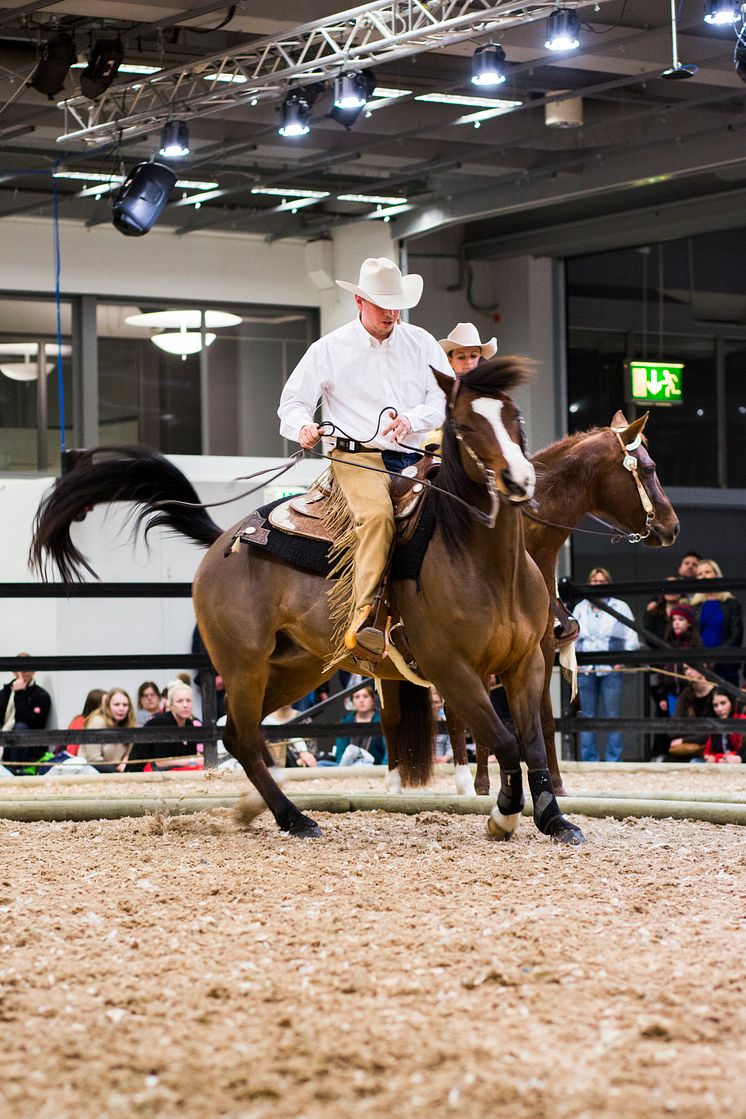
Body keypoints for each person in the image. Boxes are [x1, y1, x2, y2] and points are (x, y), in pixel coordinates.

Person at [278, 256, 447, 658]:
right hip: (357, 459)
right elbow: (293, 402)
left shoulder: (421, 342)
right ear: (359, 301)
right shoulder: (329, 349)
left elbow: (445, 397)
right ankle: (365, 617)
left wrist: (412, 418)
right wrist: (302, 427)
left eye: (396, 303)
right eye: (382, 303)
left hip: (419, 454)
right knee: (375, 518)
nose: (392, 312)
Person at [574, 567, 640, 762]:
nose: (597, 585)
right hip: (586, 669)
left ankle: (614, 758)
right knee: (587, 715)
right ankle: (589, 758)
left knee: (612, 715)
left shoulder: (620, 607)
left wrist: (622, 660)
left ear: (608, 584)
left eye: (602, 582)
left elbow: (631, 637)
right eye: (594, 582)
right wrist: (574, 662)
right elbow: (572, 638)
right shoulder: (580, 608)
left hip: (611, 668)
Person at [128, 681, 203, 772]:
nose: (185, 705)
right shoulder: (159, 723)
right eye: (180, 701)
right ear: (171, 705)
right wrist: (193, 761)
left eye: (188, 700)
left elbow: (190, 755)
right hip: (139, 774)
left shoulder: (190, 725)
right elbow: (160, 762)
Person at [691, 558, 743, 686]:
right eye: (699, 574)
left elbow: (737, 636)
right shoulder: (695, 605)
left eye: (707, 572)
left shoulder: (731, 603)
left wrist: (717, 656)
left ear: (716, 574)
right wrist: (702, 658)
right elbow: (693, 635)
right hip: (701, 666)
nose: (703, 576)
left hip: (726, 665)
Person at [0, 654, 52, 774]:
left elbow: (31, 721)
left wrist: (20, 694)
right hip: (4, 738)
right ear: (14, 672)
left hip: (29, 747)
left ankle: (17, 768)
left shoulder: (40, 695)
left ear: (34, 671)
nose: (24, 673)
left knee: (20, 727)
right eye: (21, 669)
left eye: (28, 669)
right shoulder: (4, 693)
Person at [662, 665, 717, 762]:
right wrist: (698, 733)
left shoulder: (716, 695)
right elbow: (673, 730)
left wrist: (684, 740)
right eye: (685, 669)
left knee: (695, 762)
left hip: (711, 748)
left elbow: (713, 732)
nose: (688, 672)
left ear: (703, 667)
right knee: (667, 762)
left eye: (692, 668)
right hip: (689, 748)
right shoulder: (686, 695)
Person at [657, 604, 702, 718]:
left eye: (681, 619)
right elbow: (662, 671)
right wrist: (662, 696)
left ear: (689, 623)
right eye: (674, 619)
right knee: (676, 724)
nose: (676, 623)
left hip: (690, 691)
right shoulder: (667, 643)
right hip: (671, 692)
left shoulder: (695, 643)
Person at [79, 688, 137, 770]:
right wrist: (116, 771)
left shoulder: (130, 724)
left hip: (118, 771)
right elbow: (93, 759)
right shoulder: (96, 723)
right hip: (92, 771)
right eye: (116, 705)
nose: (121, 708)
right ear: (107, 706)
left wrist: (125, 762)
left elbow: (130, 753)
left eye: (125, 705)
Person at [334, 685, 386, 766]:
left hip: (376, 768)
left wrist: (383, 768)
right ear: (353, 701)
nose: (361, 700)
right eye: (357, 697)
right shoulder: (346, 721)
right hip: (348, 768)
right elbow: (340, 751)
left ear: (373, 700)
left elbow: (388, 751)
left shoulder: (382, 721)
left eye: (365, 696)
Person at [703, 689, 745, 764]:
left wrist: (716, 758)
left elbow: (741, 752)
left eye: (723, 703)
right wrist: (712, 758)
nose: (719, 709)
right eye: (715, 705)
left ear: (731, 702)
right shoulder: (714, 723)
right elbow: (707, 752)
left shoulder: (741, 720)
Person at [67, 688, 106, 755]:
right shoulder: (80, 722)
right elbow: (72, 750)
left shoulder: (99, 721)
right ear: (97, 705)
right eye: (106, 703)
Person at [431, 689, 452, 763]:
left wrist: (445, 758)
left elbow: (451, 746)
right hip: (424, 763)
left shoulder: (446, 724)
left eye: (436, 702)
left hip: (443, 762)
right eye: (431, 702)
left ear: (441, 705)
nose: (433, 705)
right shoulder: (420, 726)